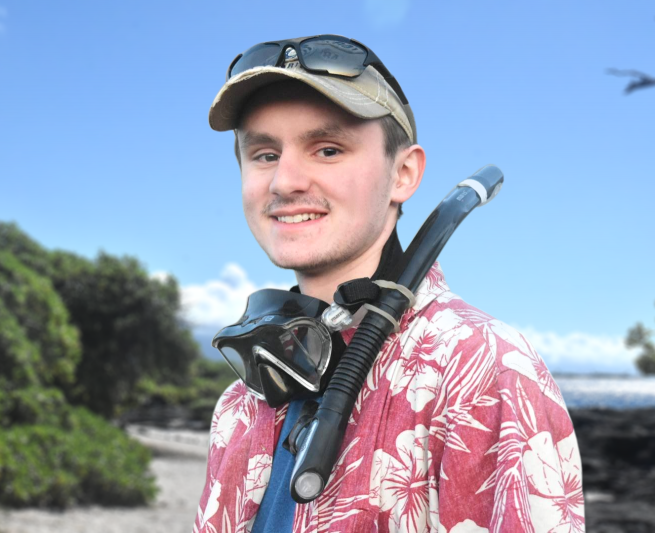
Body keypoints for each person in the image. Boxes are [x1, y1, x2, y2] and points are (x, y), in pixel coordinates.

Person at [194, 36, 584, 533]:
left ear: (403, 173)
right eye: (265, 154)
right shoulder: (240, 404)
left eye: (328, 149)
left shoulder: (485, 370)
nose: (285, 181)